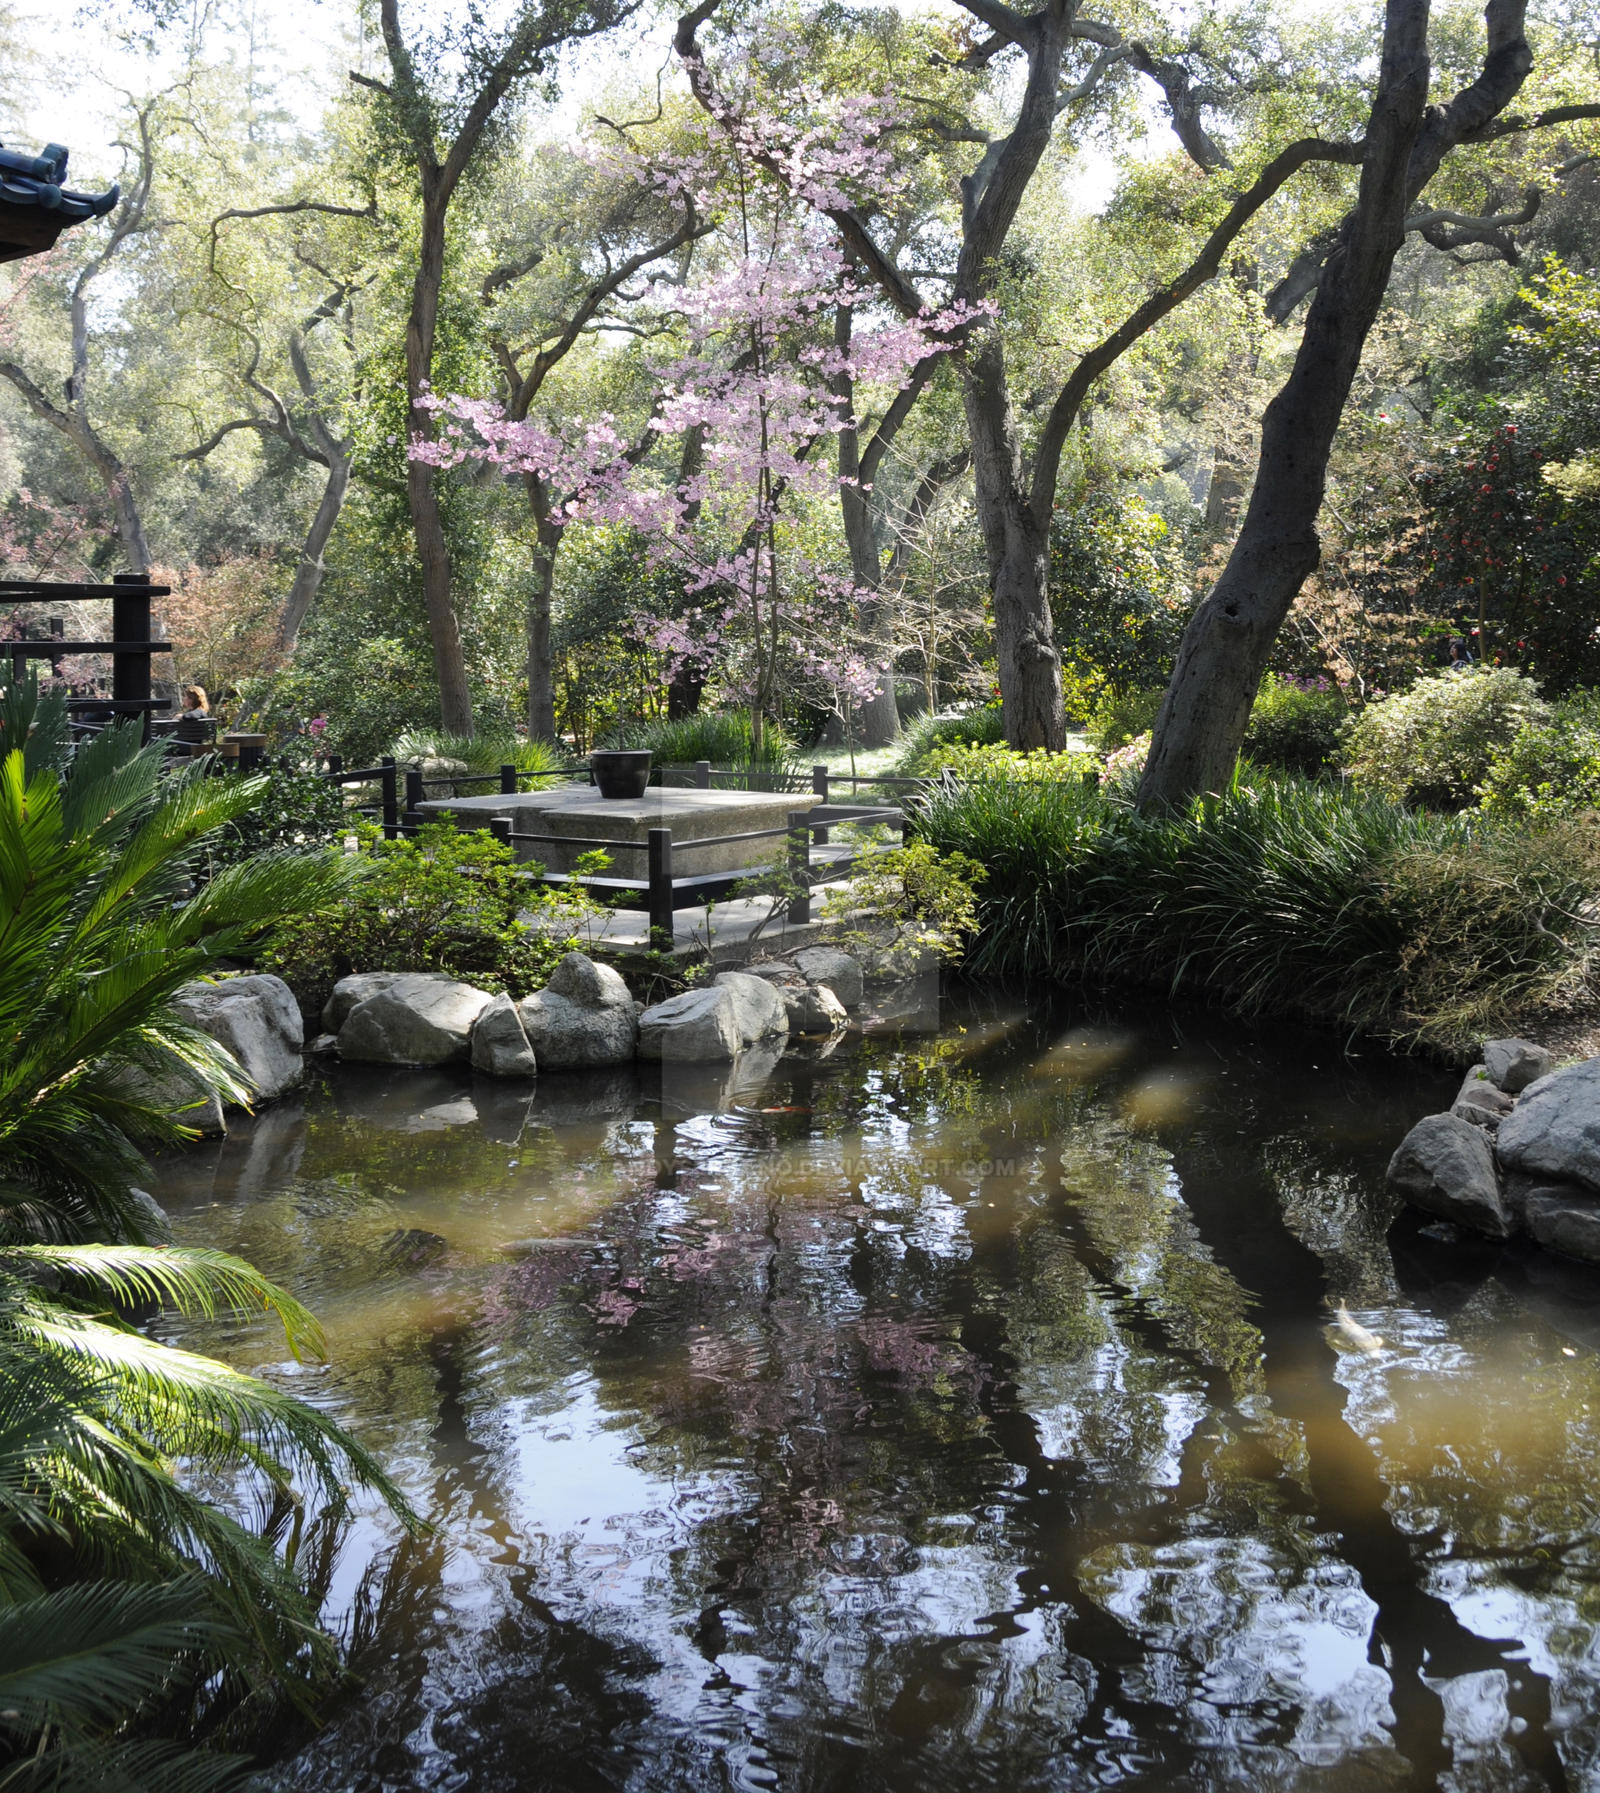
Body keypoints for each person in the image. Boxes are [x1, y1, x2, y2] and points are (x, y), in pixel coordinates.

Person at [172, 684, 213, 748]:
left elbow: (191, 716)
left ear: (192, 699)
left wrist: (181, 716)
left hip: (187, 747)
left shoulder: (200, 711)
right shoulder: (195, 711)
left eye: (186, 696)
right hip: (183, 745)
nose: (184, 698)